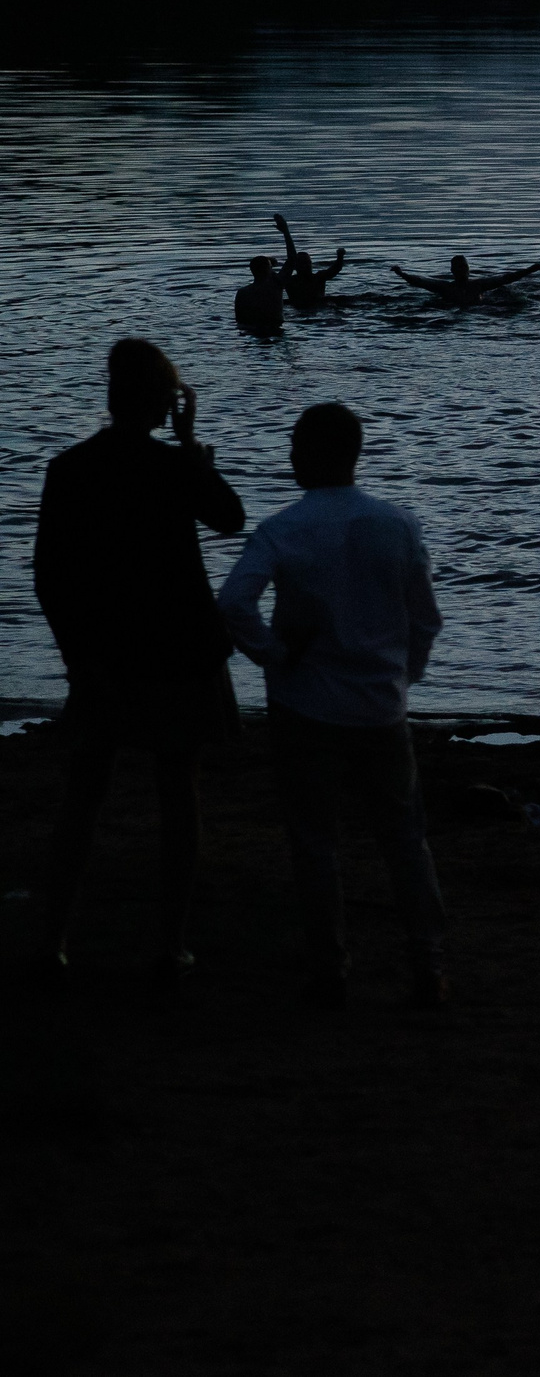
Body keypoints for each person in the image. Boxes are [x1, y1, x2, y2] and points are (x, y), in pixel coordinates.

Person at [31, 340, 245, 1000]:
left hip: (104, 655)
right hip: (179, 652)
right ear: (163, 404)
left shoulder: (70, 468)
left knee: (84, 796)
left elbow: (48, 577)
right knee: (179, 795)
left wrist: (77, 658)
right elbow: (230, 517)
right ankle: (168, 945)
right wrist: (191, 448)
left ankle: (52, 941)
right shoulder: (173, 467)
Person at [217, 402, 450, 1009]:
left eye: (296, 445)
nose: (290, 455)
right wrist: (403, 677)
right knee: (404, 838)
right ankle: (427, 963)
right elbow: (426, 619)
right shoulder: (397, 524)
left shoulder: (283, 528)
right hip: (380, 706)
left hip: (304, 705)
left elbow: (235, 603)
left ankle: (331, 968)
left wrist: (273, 655)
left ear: (316, 453)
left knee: (315, 840)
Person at [392, 254, 540, 307]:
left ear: (469, 269)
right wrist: (401, 274)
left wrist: (530, 270)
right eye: (459, 268)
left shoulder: (479, 285)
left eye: (464, 267)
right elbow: (420, 281)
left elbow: (505, 279)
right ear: (452, 271)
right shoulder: (444, 287)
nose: (462, 271)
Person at [275, 215, 347, 310]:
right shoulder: (290, 281)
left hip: (311, 308)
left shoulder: (318, 277)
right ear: (296, 266)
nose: (307, 266)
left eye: (308, 263)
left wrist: (340, 257)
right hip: (309, 308)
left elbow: (334, 270)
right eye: (303, 263)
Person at [235, 255, 285, 332]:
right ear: (268, 270)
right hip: (274, 328)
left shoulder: (242, 292)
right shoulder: (275, 287)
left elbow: (239, 319)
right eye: (271, 267)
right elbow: (292, 260)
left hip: (250, 330)